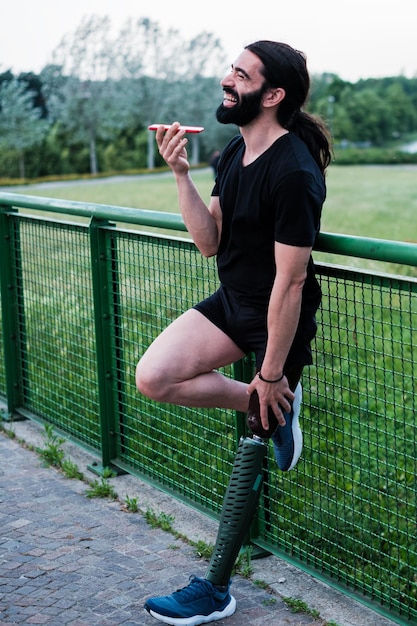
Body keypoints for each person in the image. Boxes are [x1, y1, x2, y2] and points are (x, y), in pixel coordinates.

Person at [136, 40, 331, 625]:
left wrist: (271, 372)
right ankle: (271, 405)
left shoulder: (294, 172)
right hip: (234, 301)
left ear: (272, 95)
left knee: (252, 447)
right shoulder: (232, 153)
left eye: (241, 75)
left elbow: (290, 285)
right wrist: (179, 173)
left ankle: (216, 590)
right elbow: (209, 242)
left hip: (279, 318)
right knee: (155, 376)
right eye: (230, 70)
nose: (227, 80)